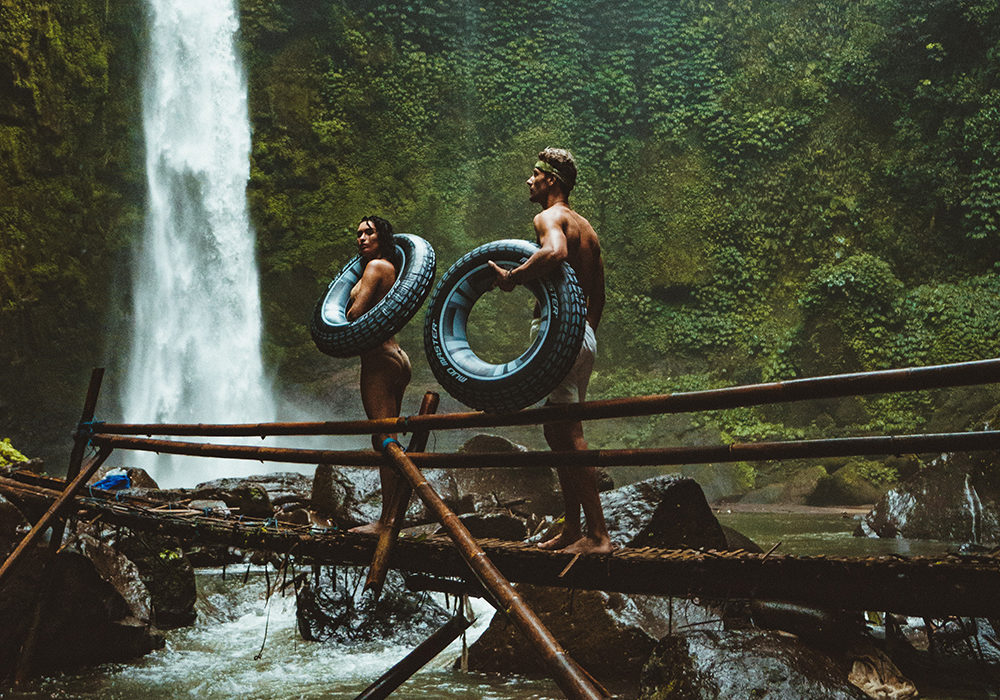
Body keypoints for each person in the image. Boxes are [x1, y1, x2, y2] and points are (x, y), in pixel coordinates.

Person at [489, 147, 612, 554]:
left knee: (568, 431)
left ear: (551, 181)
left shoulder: (549, 217)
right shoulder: (588, 229)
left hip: (562, 334)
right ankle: (575, 529)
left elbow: (555, 253)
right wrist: (580, 333)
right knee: (556, 428)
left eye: (534, 175)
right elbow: (599, 295)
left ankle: (598, 536)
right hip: (582, 336)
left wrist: (513, 277)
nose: (529, 181)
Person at [346, 215, 412, 535]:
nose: (361, 238)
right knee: (390, 438)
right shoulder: (389, 269)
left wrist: (348, 308)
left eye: (368, 233)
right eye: (358, 234)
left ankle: (387, 521)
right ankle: (395, 512)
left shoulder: (374, 268)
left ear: (381, 237)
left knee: (384, 440)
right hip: (397, 356)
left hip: (378, 360)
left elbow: (355, 314)